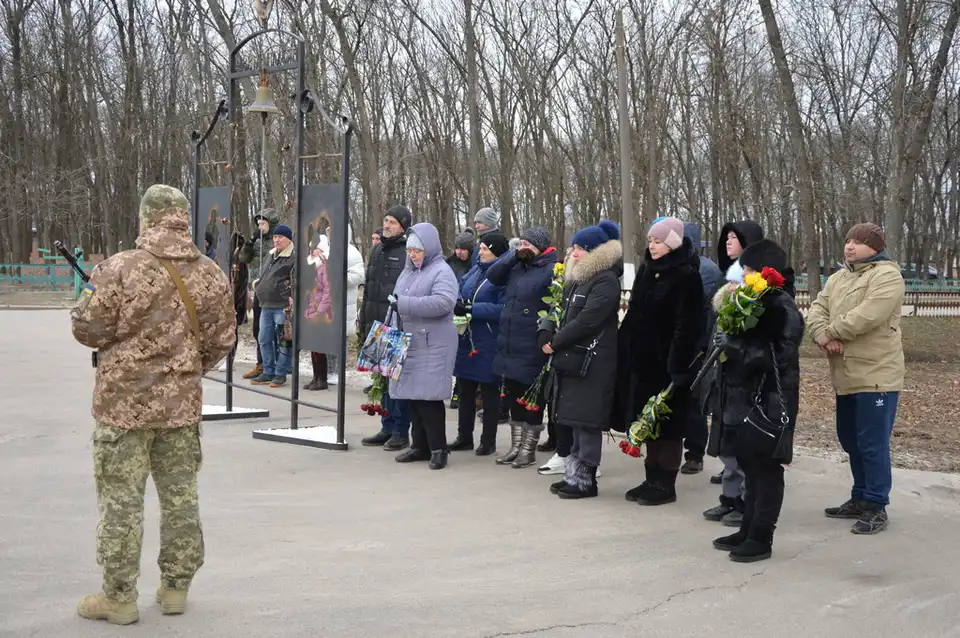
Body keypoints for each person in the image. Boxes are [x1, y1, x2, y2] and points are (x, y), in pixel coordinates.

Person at [71, 184, 235, 625]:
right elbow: (222, 340)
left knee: (121, 502)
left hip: (122, 409)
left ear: (146, 218)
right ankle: (176, 588)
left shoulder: (119, 268)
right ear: (183, 219)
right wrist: (183, 369)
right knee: (180, 498)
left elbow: (87, 330)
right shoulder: (211, 273)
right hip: (181, 409)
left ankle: (119, 598)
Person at [707, 239, 803, 562]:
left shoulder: (781, 306)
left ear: (765, 271)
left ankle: (762, 536)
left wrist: (734, 347)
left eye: (748, 269)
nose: (743, 274)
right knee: (749, 464)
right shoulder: (751, 300)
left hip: (770, 401)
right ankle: (747, 527)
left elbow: (781, 354)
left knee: (766, 470)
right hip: (743, 400)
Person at [806, 223, 905, 535]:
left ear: (874, 247)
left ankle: (877, 504)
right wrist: (821, 334)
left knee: (872, 442)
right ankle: (859, 496)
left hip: (877, 374)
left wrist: (831, 332)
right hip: (845, 374)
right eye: (848, 240)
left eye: (859, 242)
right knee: (850, 439)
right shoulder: (838, 277)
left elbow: (869, 314)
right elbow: (816, 310)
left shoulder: (887, 275)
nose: (850, 246)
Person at [614, 217, 704, 505]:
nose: (652, 246)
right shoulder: (647, 270)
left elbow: (687, 326)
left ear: (673, 244)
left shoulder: (686, 275)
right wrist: (624, 346)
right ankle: (650, 477)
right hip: (643, 362)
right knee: (647, 421)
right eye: (651, 241)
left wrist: (678, 367)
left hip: (669, 365)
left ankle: (665, 483)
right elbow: (634, 313)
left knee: (667, 424)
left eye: (658, 241)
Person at [541, 220, 622, 499]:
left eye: (581, 249)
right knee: (574, 418)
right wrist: (547, 332)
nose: (574, 253)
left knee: (587, 420)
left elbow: (588, 320)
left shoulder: (605, 280)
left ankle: (585, 479)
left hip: (594, 361)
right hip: (575, 358)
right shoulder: (577, 281)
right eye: (574, 247)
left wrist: (557, 341)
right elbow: (561, 315)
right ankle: (573, 474)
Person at [705, 218, 766, 516]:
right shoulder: (727, 277)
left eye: (734, 237)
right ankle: (729, 497)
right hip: (725, 367)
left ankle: (745, 501)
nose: (727, 241)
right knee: (726, 433)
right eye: (726, 236)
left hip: (748, 371)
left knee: (744, 436)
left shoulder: (762, 282)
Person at [388, 223, 459, 469]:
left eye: (417, 250)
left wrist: (405, 304)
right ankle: (419, 445)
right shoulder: (408, 271)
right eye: (410, 251)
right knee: (413, 398)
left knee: (429, 399)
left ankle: (439, 449)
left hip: (433, 343)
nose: (413, 255)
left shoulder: (441, 271)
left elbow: (444, 302)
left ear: (428, 248)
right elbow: (396, 301)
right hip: (410, 342)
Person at [486, 226, 559, 467]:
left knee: (532, 398)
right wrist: (511, 253)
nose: (524, 248)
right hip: (509, 342)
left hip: (532, 342)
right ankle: (515, 446)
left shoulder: (551, 269)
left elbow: (555, 306)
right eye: (522, 243)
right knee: (513, 396)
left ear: (540, 247)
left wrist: (546, 332)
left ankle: (528, 449)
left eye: (529, 245)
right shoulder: (516, 266)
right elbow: (493, 276)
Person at [449, 232, 509, 455]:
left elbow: (502, 309)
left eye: (485, 248)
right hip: (467, 338)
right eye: (480, 248)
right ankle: (464, 436)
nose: (480, 251)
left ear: (496, 251)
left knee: (489, 392)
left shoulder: (502, 275)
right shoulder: (476, 269)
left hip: (489, 340)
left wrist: (473, 310)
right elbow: (462, 287)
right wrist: (458, 303)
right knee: (465, 390)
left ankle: (488, 440)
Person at [359, 205, 414, 450]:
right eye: (386, 220)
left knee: (397, 382)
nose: (387, 225)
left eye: (392, 221)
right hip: (376, 323)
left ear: (403, 225)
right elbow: (369, 289)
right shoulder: (378, 250)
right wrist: (364, 322)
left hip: (396, 325)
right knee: (381, 379)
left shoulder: (407, 252)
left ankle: (401, 431)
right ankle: (387, 425)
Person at [304, 225, 366, 391]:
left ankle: (339, 371)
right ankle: (328, 371)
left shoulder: (352, 252)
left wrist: (338, 277)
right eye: (330, 232)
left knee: (341, 339)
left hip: (344, 301)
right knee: (328, 339)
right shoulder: (326, 250)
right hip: (325, 303)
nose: (333, 235)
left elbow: (359, 276)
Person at [250, 224, 295, 388]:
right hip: (266, 304)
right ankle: (268, 370)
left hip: (282, 304)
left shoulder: (293, 257)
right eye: (275, 237)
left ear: (288, 238)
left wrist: (291, 297)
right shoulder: (271, 254)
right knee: (264, 339)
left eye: (280, 237)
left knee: (284, 341)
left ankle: (280, 373)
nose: (276, 240)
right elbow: (263, 273)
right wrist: (258, 284)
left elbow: (295, 279)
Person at [238, 209, 280, 379]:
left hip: (274, 290)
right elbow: (243, 258)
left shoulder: (276, 241)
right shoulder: (257, 241)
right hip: (258, 288)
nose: (261, 227)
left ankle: (275, 365)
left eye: (263, 224)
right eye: (258, 224)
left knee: (273, 330)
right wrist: (250, 242)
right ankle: (261, 363)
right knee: (258, 328)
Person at [446, 228, 477, 409]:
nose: (459, 252)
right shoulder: (450, 264)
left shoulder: (474, 267)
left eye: (463, 249)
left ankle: (459, 390)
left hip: (466, 312)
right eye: (457, 248)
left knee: (464, 352)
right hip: (451, 310)